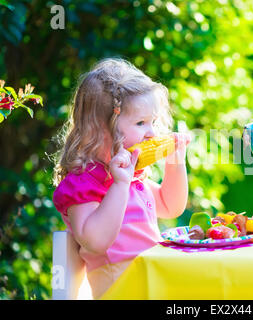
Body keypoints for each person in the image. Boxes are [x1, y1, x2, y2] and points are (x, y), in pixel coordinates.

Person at [52, 58, 191, 299]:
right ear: (100, 130)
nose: (152, 133)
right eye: (140, 123)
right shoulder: (84, 185)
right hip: (121, 290)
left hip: (155, 284)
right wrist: (120, 184)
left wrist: (176, 161)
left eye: (153, 122)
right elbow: (95, 241)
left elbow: (171, 206)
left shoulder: (132, 178)